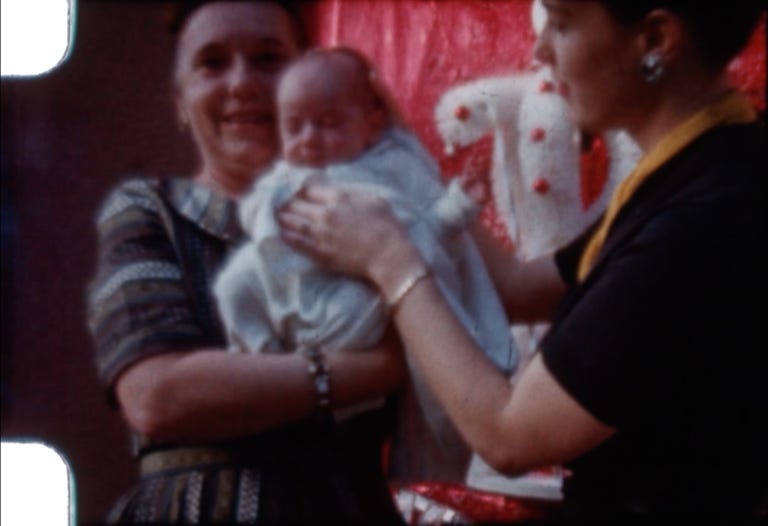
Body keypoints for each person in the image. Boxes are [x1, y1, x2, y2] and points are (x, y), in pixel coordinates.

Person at [278, 0, 768, 522]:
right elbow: (516, 288)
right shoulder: (699, 169)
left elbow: (510, 435)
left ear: (655, 40)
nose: (539, 51)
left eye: (561, 24)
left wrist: (389, 261)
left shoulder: (706, 215)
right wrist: (406, 159)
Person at [86, 2, 407, 523]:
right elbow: (157, 395)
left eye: (268, 59)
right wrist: (370, 371)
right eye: (212, 64)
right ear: (180, 102)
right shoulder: (150, 212)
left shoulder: (367, 212)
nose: (242, 83)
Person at [213, 47, 516, 482]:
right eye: (294, 126)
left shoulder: (389, 171)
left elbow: (427, 237)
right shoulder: (283, 178)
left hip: (356, 299)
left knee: (399, 265)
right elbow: (254, 214)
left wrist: (458, 207)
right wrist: (267, 213)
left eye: (329, 123)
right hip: (289, 291)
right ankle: (265, 356)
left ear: (372, 124)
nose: (309, 138)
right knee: (232, 284)